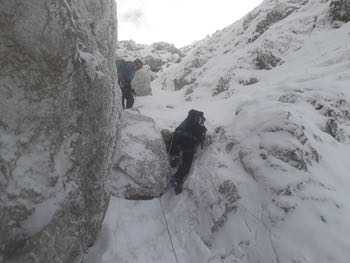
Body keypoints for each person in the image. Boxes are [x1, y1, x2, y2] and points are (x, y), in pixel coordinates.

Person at [168, 109, 207, 194]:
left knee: (178, 154)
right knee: (186, 163)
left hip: (177, 141)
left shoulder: (186, 122)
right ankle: (177, 179)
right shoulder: (199, 126)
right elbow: (201, 138)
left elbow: (176, 132)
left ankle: (174, 157)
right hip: (188, 146)